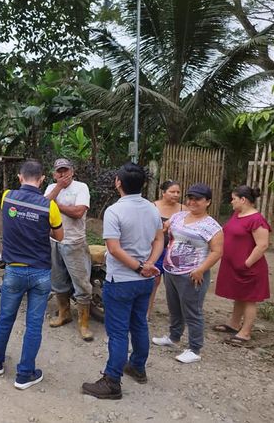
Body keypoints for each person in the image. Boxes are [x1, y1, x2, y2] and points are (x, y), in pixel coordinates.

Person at [82, 162, 163, 400]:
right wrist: (149, 264)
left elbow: (114, 249)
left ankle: (112, 381)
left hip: (121, 280)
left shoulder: (115, 211)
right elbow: (159, 239)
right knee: (139, 324)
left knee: (118, 332)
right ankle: (137, 366)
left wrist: (139, 267)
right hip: (145, 280)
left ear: (118, 182)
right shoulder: (152, 209)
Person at [0, 160, 64, 390]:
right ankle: (25, 374)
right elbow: (59, 237)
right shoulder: (49, 207)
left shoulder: (7, 197)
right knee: (33, 325)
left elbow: (15, 220)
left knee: (5, 317)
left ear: (20, 177)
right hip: (41, 273)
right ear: (42, 180)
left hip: (14, 271)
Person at [152, 183, 223, 364]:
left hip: (192, 274)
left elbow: (217, 252)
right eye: (190, 198)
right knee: (174, 307)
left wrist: (201, 270)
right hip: (171, 270)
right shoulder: (179, 216)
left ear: (207, 202)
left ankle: (194, 348)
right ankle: (173, 337)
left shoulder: (212, 226)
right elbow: (164, 231)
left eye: (197, 199)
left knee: (192, 311)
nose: (192, 202)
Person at [44, 158, 94, 341]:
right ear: (54, 174)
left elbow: (78, 212)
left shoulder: (81, 187)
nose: (63, 174)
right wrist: (58, 188)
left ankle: (84, 323)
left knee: (82, 283)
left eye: (66, 170)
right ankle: (64, 314)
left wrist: (55, 205)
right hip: (54, 241)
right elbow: (42, 205)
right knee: (58, 281)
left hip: (74, 242)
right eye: (59, 171)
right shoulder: (51, 188)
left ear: (72, 171)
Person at [213, 186, 270, 343]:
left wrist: (246, 264)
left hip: (249, 268)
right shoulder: (237, 214)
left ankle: (245, 332)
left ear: (243, 200)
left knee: (249, 299)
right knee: (239, 295)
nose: (231, 202)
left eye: (234, 199)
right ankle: (234, 324)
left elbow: (263, 245)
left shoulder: (256, 220)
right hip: (235, 266)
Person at [147, 180, 188, 320]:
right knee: (153, 281)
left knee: (176, 282)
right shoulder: (152, 207)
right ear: (163, 193)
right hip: (155, 249)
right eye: (172, 192)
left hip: (176, 251)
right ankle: (147, 311)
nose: (176, 195)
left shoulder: (184, 210)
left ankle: (179, 315)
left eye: (178, 192)